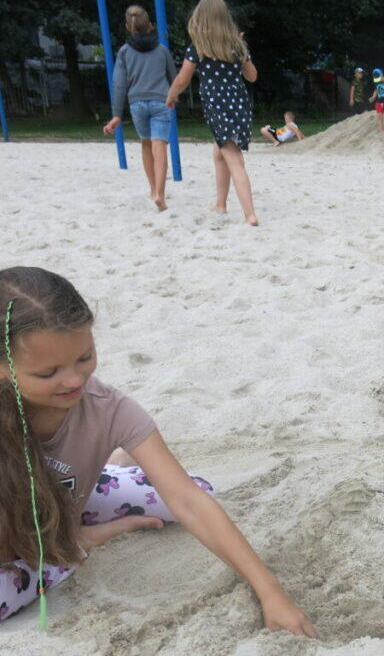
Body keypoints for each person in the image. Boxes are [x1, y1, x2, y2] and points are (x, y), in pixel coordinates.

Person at [0, 267, 316, 636]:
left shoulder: (107, 408)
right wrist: (67, 544)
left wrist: (271, 592)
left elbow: (189, 500)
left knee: (197, 492)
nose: (74, 380)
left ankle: (107, 478)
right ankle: (78, 542)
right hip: (16, 537)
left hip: (69, 502)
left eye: (84, 357)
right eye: (48, 373)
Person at [165, 0, 259, 226]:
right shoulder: (236, 47)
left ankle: (250, 215)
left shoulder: (198, 48)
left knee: (233, 157)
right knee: (219, 152)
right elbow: (252, 76)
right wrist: (242, 50)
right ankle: (221, 204)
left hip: (217, 107)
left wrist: (171, 95)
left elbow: (182, 80)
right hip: (239, 106)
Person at [102, 6, 176, 212]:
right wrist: (173, 96)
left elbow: (119, 84)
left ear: (128, 27)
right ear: (150, 25)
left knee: (146, 144)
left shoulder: (124, 52)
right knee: (160, 147)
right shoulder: (162, 50)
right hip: (161, 102)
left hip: (137, 104)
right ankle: (160, 193)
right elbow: (173, 77)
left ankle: (152, 189)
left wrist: (117, 115)